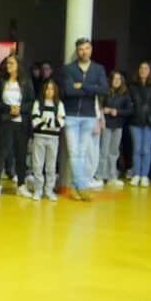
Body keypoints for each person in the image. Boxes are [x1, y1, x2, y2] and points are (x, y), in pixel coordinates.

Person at [60, 38, 107, 202]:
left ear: (91, 50)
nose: (84, 52)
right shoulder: (68, 69)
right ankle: (83, 187)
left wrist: (82, 86)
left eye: (87, 48)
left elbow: (104, 89)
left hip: (89, 115)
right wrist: (92, 89)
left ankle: (75, 187)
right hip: (71, 115)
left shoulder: (98, 69)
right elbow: (68, 91)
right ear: (77, 51)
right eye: (81, 49)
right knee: (74, 152)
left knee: (82, 152)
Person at [0, 55, 34, 198]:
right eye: (7, 63)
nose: (8, 65)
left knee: (21, 154)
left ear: (18, 65)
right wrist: (8, 108)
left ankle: (21, 185)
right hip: (4, 121)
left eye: (12, 63)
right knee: (1, 153)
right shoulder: (0, 81)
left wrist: (20, 109)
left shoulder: (26, 82)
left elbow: (31, 101)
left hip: (21, 122)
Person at [127, 61, 151, 187]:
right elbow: (129, 102)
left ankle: (144, 175)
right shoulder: (133, 86)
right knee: (137, 148)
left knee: (146, 149)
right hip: (135, 120)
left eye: (146, 68)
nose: (143, 70)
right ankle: (136, 174)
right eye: (141, 68)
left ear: (150, 71)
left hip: (150, 121)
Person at [30, 78, 65, 202]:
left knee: (51, 166)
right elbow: (35, 122)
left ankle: (49, 190)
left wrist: (46, 122)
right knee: (37, 165)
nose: (49, 91)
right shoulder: (38, 103)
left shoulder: (59, 104)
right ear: (44, 90)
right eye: (47, 89)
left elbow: (61, 122)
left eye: (52, 89)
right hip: (39, 137)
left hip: (53, 139)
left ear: (55, 91)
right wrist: (51, 123)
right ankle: (38, 190)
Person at [99, 70, 133, 188]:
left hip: (118, 126)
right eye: (115, 78)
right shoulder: (105, 92)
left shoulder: (125, 93)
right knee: (104, 151)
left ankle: (112, 176)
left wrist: (117, 111)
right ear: (111, 80)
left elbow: (129, 110)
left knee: (114, 152)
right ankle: (101, 175)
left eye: (119, 79)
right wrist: (104, 110)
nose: (117, 81)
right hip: (106, 124)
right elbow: (99, 106)